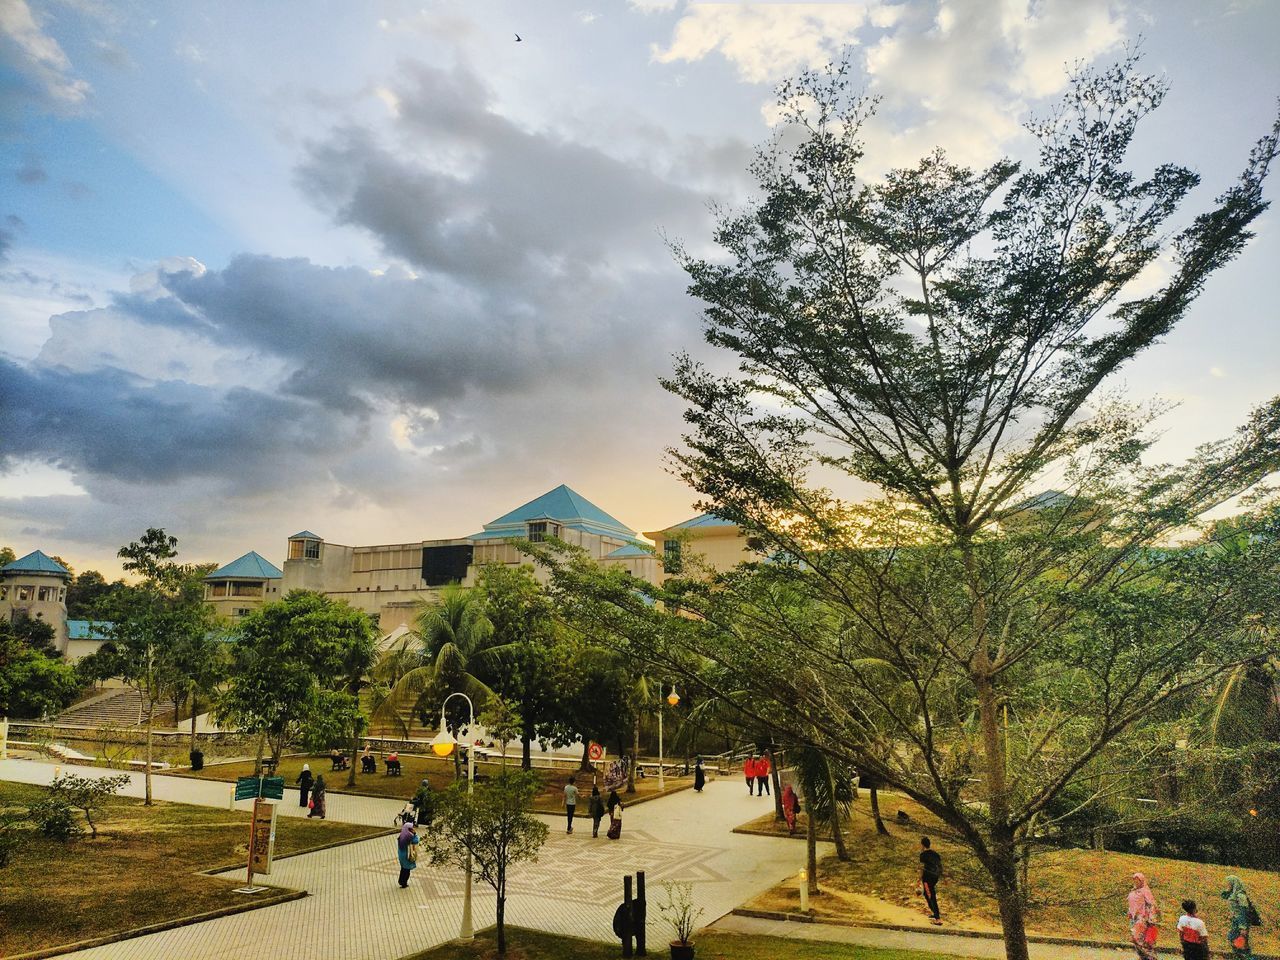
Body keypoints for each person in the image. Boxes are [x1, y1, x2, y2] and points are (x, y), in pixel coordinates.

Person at [1221, 875, 1257, 958]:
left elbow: (1243, 911)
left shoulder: (1241, 896)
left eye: (1229, 883)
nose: (1227, 885)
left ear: (1234, 884)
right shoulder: (1234, 895)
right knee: (1235, 942)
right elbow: (1223, 895)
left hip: (1241, 924)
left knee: (1240, 946)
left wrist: (1243, 927)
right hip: (1236, 922)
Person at [1127, 872, 1158, 960]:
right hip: (1134, 918)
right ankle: (1143, 957)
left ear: (1142, 881)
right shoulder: (1133, 890)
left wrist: (1151, 919)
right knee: (1135, 939)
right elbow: (1132, 902)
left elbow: (1152, 905)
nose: (1136, 882)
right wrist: (1129, 911)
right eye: (1134, 880)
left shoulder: (1145, 891)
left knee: (1138, 938)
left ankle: (1150, 957)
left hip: (1142, 918)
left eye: (1138, 880)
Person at [919, 836, 943, 926]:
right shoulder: (936, 854)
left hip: (927, 878)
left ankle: (938, 919)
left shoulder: (923, 855)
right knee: (926, 893)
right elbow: (939, 865)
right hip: (935, 877)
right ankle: (934, 912)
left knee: (930, 895)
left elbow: (921, 868)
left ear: (922, 845)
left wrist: (919, 879)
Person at [396, 818, 420, 888]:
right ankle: (404, 883)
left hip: (401, 855)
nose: (412, 829)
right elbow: (416, 841)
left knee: (403, 869)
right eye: (411, 828)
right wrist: (415, 834)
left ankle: (401, 881)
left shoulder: (402, 835)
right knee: (407, 870)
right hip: (407, 855)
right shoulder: (409, 836)